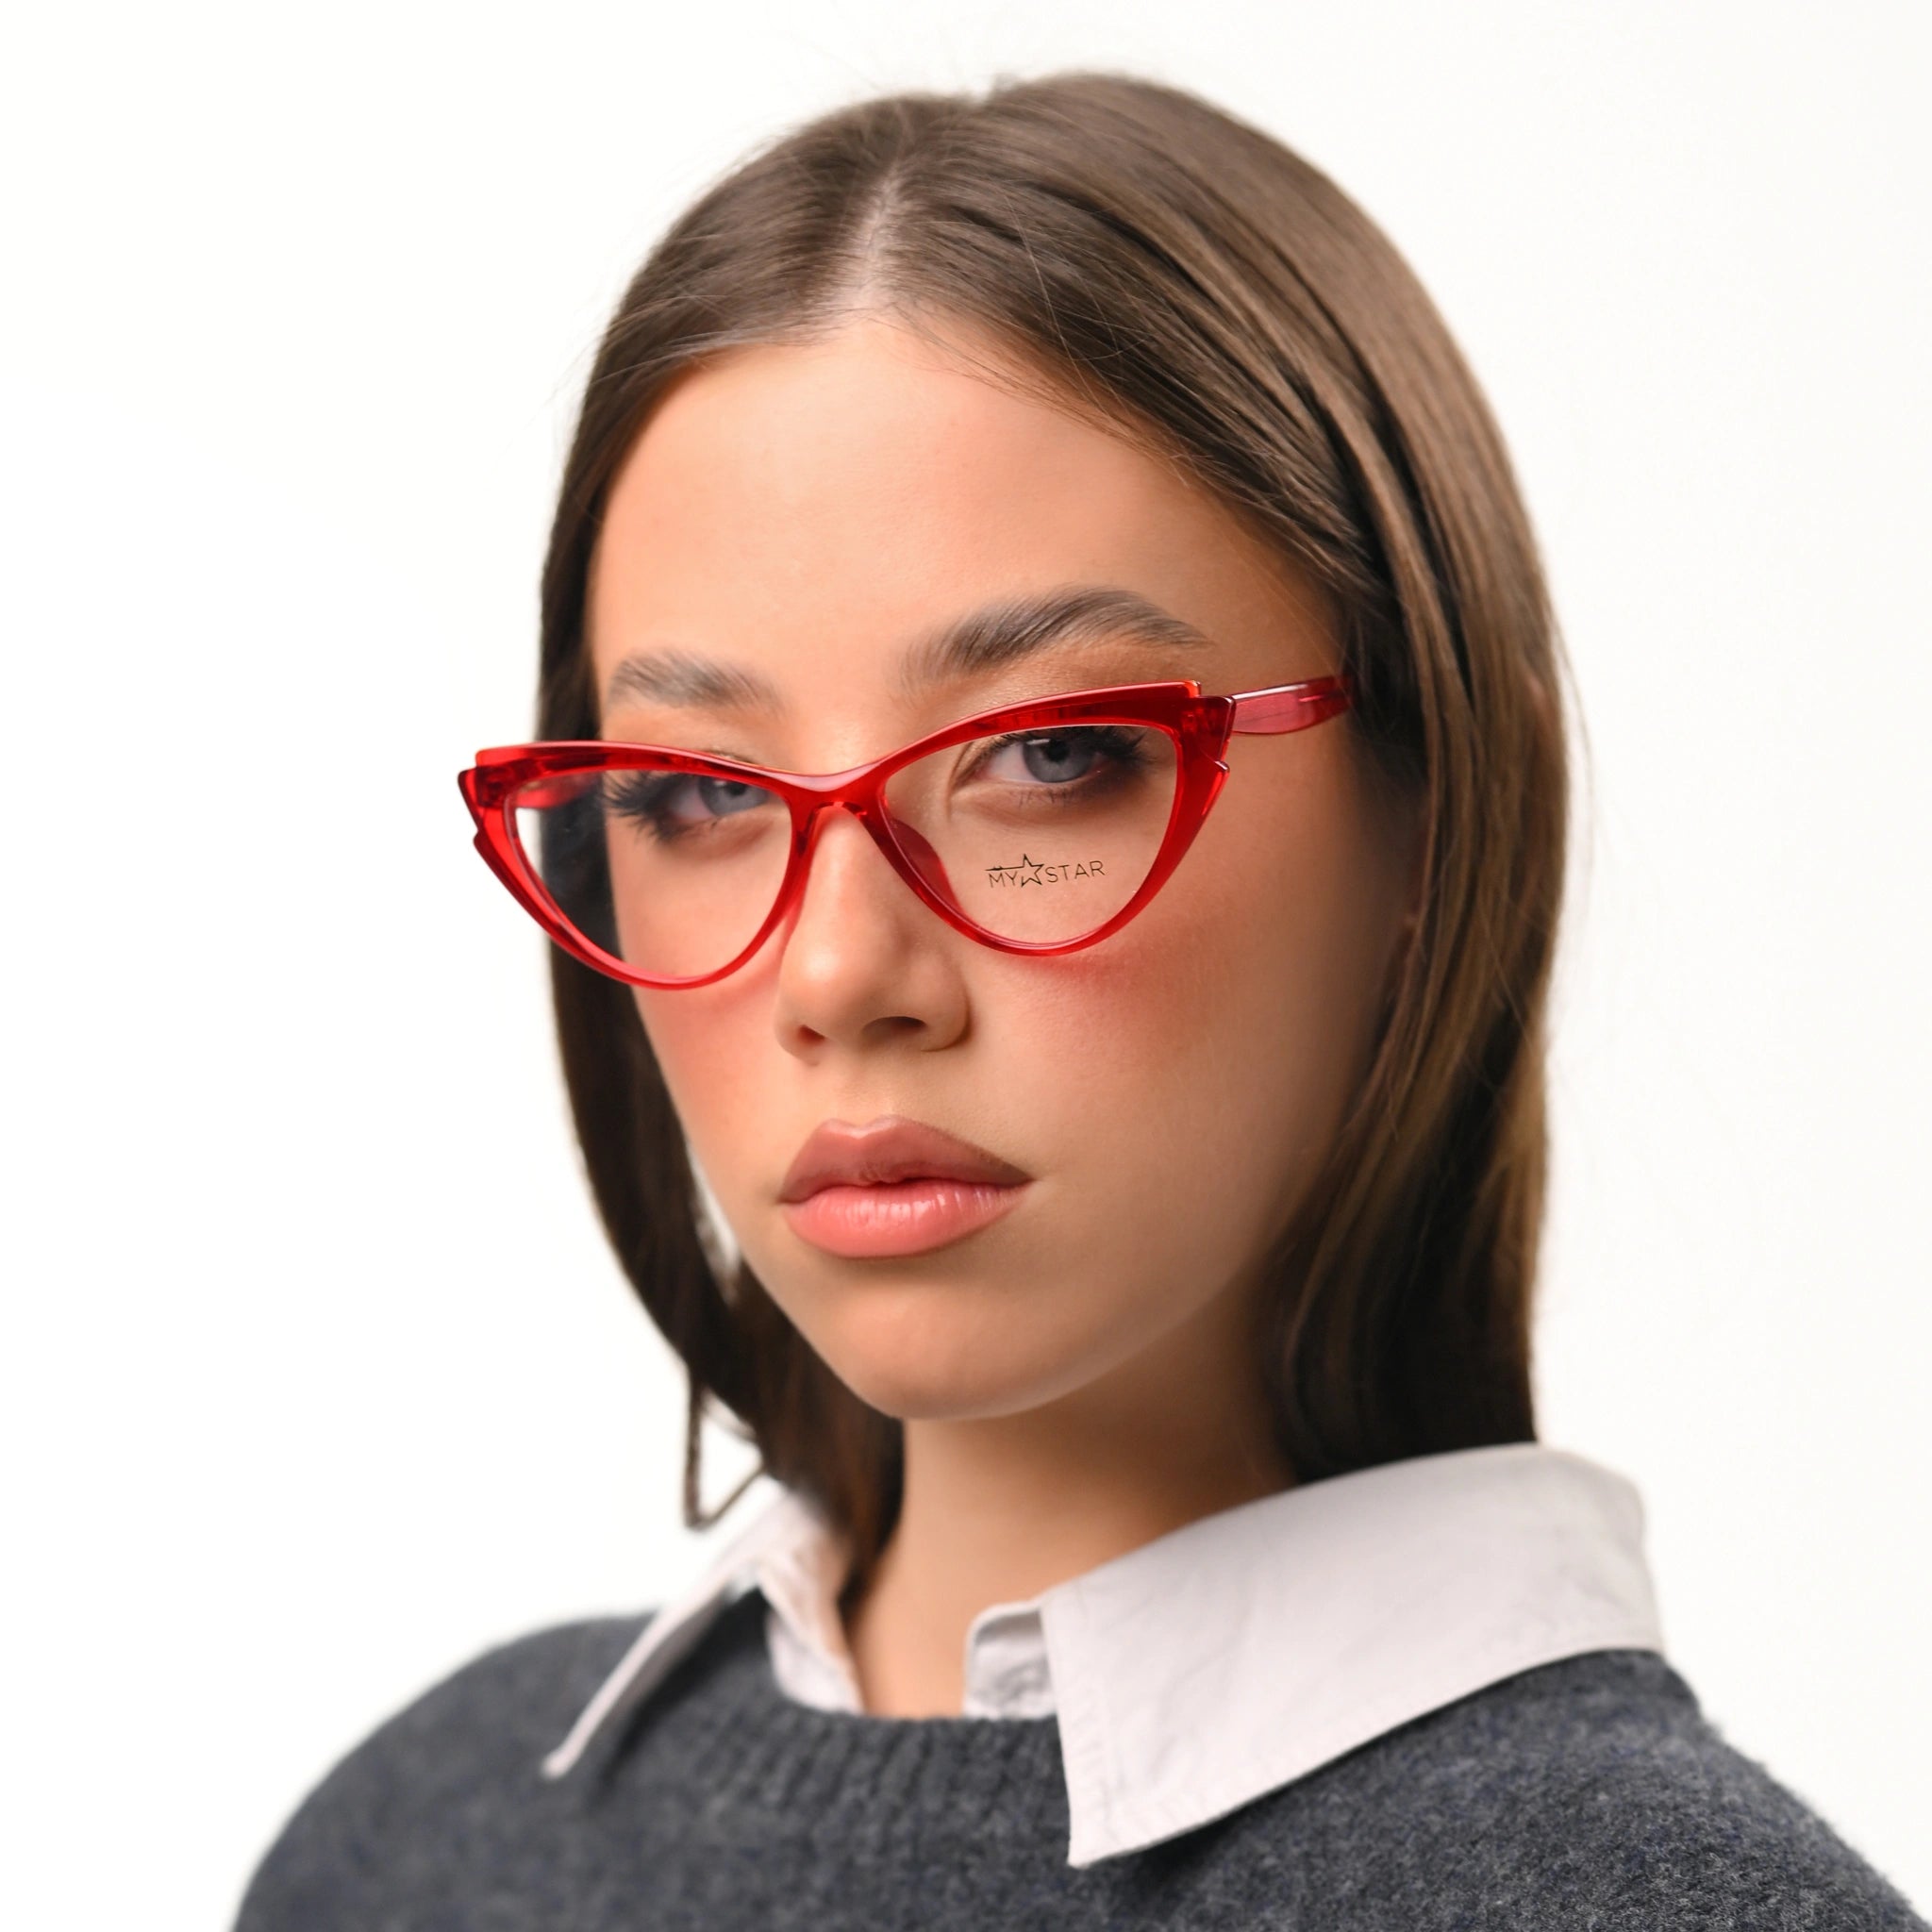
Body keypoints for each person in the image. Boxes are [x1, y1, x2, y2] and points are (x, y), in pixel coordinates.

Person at [234, 70, 1925, 1930]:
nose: (838, 975)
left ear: (1436, 806)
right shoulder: (413, 1853)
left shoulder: (1656, 1903)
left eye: (1050, 757)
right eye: (698, 794)